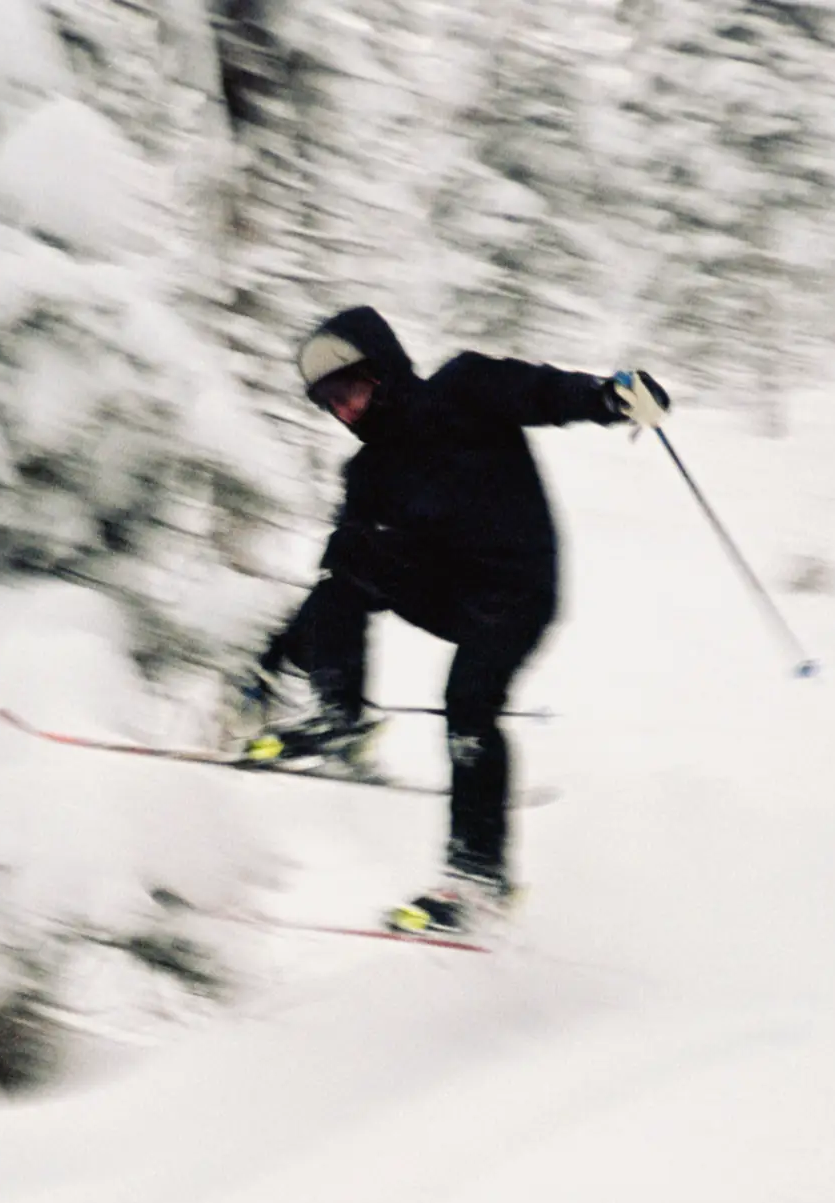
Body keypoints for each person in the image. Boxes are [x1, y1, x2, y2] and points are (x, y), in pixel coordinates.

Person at [250, 305, 669, 938]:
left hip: (518, 591)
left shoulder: (464, 388)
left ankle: (478, 879)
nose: (347, 410)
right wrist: (274, 657)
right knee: (349, 562)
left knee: (468, 700)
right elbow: (335, 585)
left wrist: (612, 397)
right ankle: (339, 718)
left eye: (352, 389)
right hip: (450, 594)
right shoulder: (367, 472)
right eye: (331, 402)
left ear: (383, 368)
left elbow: (546, 393)